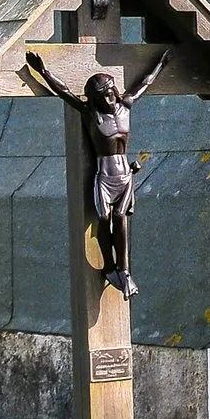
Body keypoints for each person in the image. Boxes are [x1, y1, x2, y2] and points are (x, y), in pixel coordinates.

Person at [23, 49, 163, 296]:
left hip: (125, 176)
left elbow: (145, 83)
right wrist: (43, 71)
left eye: (109, 93)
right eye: (101, 97)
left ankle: (124, 270)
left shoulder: (125, 107)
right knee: (104, 219)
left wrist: (160, 64)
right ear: (94, 100)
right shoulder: (91, 115)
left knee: (120, 218)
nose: (108, 99)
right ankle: (110, 267)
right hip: (105, 177)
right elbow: (64, 92)